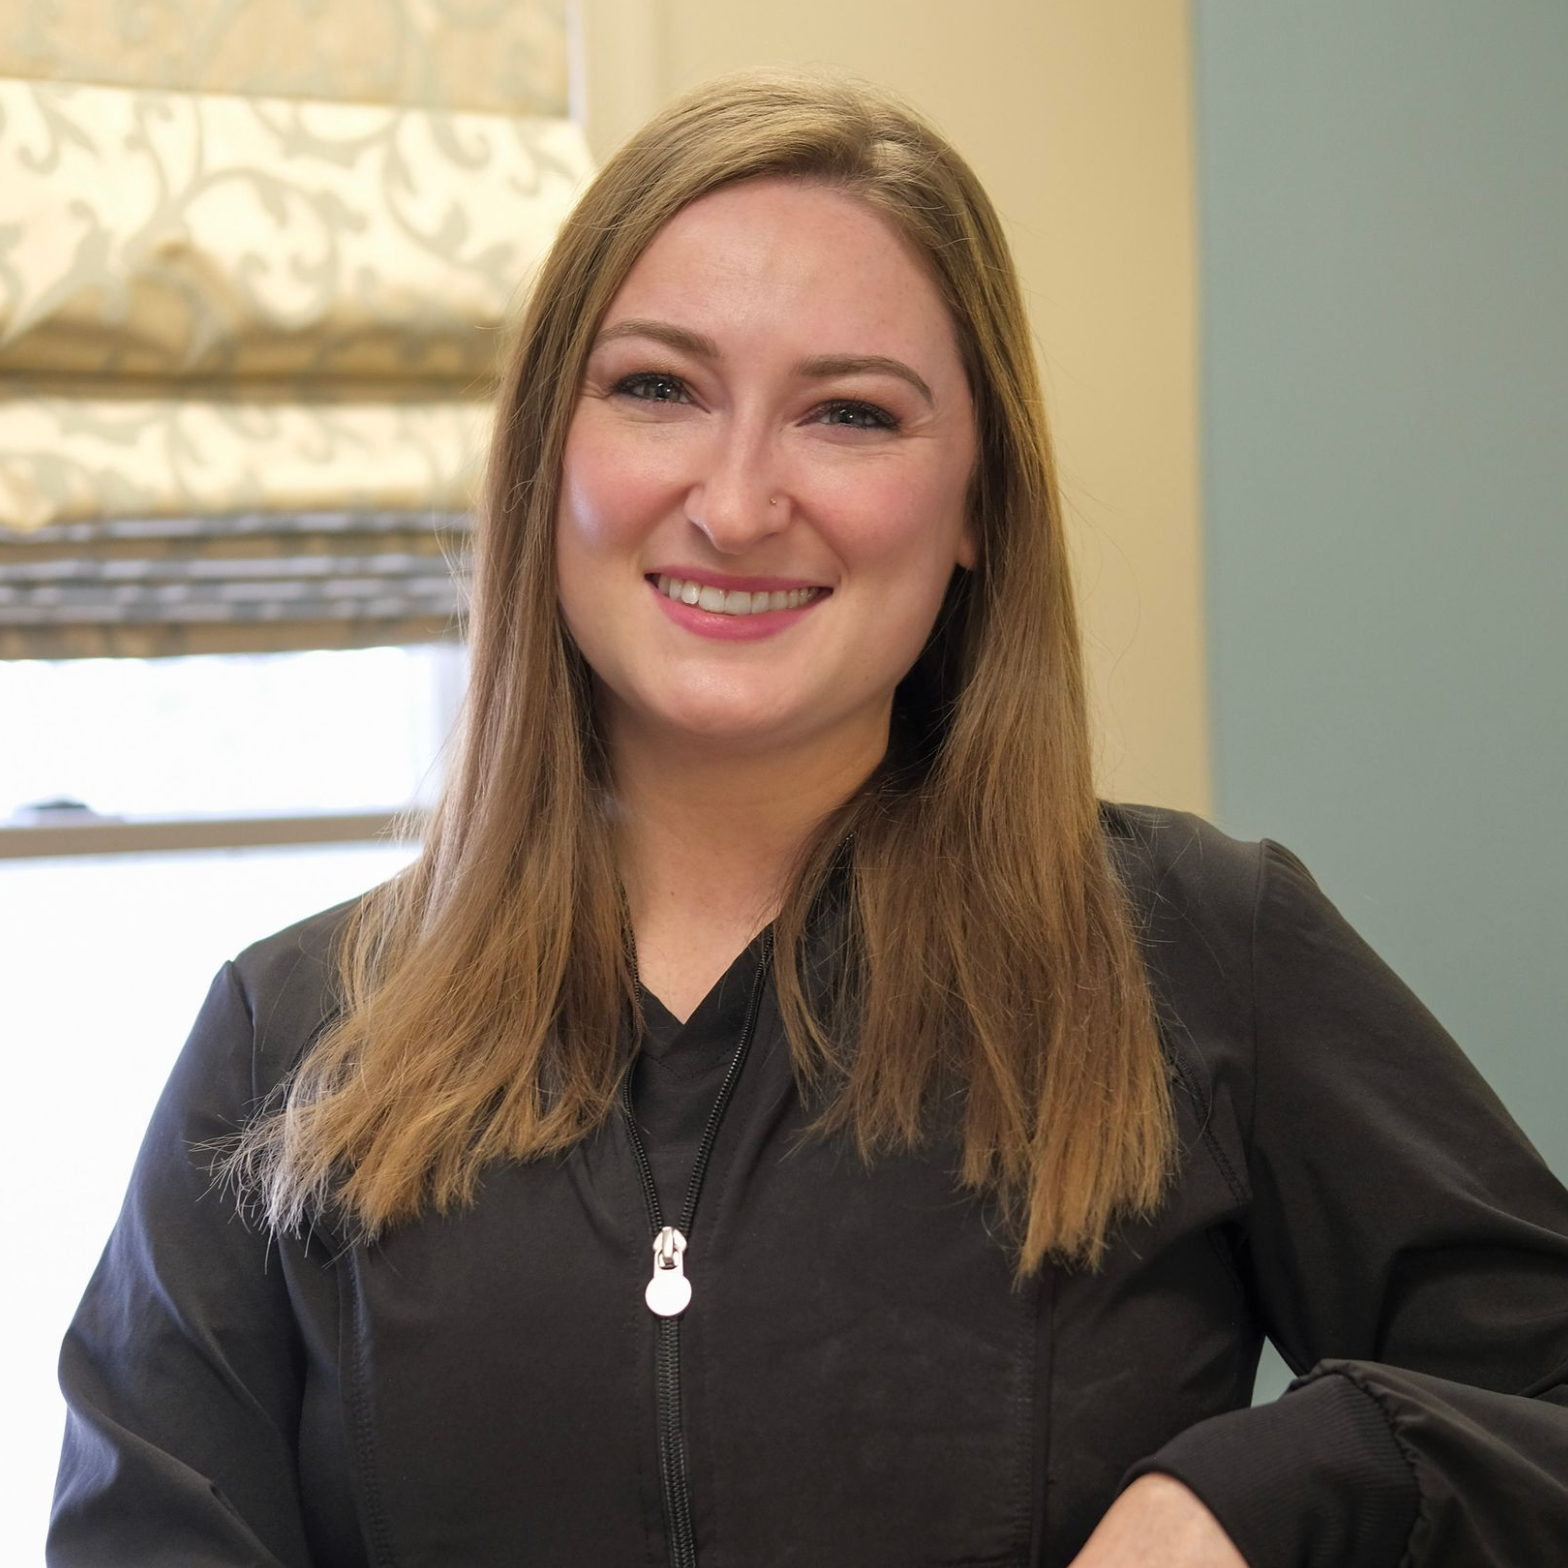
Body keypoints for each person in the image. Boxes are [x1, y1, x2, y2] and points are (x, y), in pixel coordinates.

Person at [50, 71, 1568, 1568]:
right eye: (658, 389)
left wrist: (1254, 1493)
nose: (737, 503)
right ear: (545, 454)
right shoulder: (284, 1041)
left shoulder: (1194, 950)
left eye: (850, 413)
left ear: (977, 507)